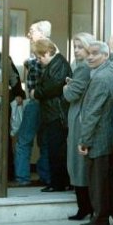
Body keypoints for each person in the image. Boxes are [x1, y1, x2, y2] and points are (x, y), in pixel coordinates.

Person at [77, 41, 113, 225]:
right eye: (88, 53)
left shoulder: (101, 78)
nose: (90, 56)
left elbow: (93, 112)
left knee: (98, 182)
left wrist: (84, 140)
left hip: (99, 137)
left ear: (104, 56)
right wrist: (112, 49)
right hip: (110, 137)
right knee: (109, 180)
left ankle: (100, 220)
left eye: (95, 53)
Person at [13, 20, 52, 186]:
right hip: (48, 105)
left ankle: (22, 178)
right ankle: (46, 177)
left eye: (32, 31)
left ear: (42, 34)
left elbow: (35, 80)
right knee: (44, 142)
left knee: (23, 141)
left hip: (36, 103)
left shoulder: (39, 56)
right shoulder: (52, 52)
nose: (28, 35)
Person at [31, 38, 72, 192]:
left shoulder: (59, 64)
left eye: (40, 56)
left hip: (57, 114)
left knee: (57, 151)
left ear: (48, 52)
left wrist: (36, 93)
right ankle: (58, 182)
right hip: (54, 113)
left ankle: (59, 183)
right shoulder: (56, 64)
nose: (38, 60)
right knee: (54, 150)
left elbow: (51, 87)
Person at [63, 32, 95, 219]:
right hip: (81, 117)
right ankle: (86, 208)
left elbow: (71, 94)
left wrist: (66, 87)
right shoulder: (85, 67)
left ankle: (84, 208)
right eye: (75, 47)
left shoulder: (83, 68)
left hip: (79, 119)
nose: (76, 50)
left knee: (78, 165)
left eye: (80, 47)